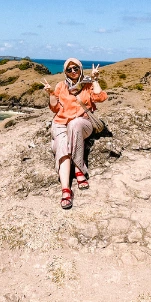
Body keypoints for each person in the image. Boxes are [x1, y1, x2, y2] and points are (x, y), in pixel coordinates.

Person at [42, 58, 107, 209]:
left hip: (82, 124)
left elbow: (101, 97)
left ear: (80, 69)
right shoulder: (60, 86)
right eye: (69, 69)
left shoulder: (87, 84)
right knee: (63, 146)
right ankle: (65, 189)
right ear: (65, 71)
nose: (73, 72)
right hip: (60, 124)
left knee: (75, 123)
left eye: (75, 68)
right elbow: (55, 109)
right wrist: (51, 93)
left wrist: (95, 79)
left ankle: (78, 168)